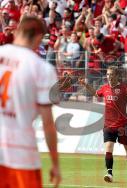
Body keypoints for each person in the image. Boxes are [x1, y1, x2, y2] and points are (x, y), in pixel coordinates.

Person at [0, 16, 61, 188]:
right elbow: (48, 123)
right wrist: (55, 163)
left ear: (17, 31)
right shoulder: (42, 68)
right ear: (39, 37)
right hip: (21, 154)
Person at [79, 66, 127, 183]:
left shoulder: (125, 88)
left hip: (123, 125)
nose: (109, 77)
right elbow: (96, 94)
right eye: (108, 74)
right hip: (108, 125)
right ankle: (109, 173)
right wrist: (85, 85)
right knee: (108, 148)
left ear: (117, 76)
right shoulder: (104, 88)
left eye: (111, 74)